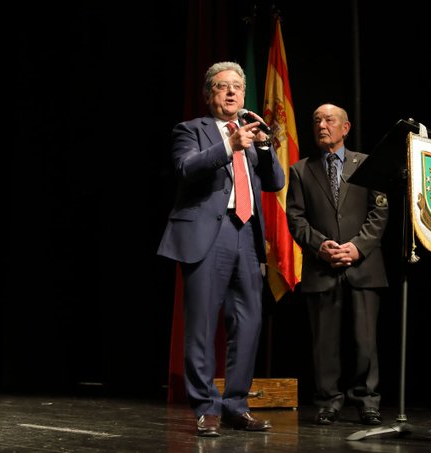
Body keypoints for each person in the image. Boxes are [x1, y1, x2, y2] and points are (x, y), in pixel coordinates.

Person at [157, 61, 285, 437]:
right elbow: (186, 168)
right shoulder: (190, 130)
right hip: (206, 235)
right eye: (222, 86)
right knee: (200, 325)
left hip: (246, 234)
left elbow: (275, 182)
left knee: (248, 323)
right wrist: (229, 144)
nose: (231, 92)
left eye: (237, 87)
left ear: (244, 95)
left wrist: (263, 144)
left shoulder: (252, 133)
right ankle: (206, 408)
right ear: (209, 94)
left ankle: (236, 406)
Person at [286, 103, 389, 426]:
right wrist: (321, 246)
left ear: (345, 128)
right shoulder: (301, 169)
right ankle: (328, 400)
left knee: (365, 340)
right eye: (316, 120)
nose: (321, 125)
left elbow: (379, 211)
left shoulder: (369, 165)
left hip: (363, 266)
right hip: (322, 267)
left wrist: (357, 248)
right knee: (325, 343)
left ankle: (367, 400)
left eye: (329, 120)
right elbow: (295, 217)